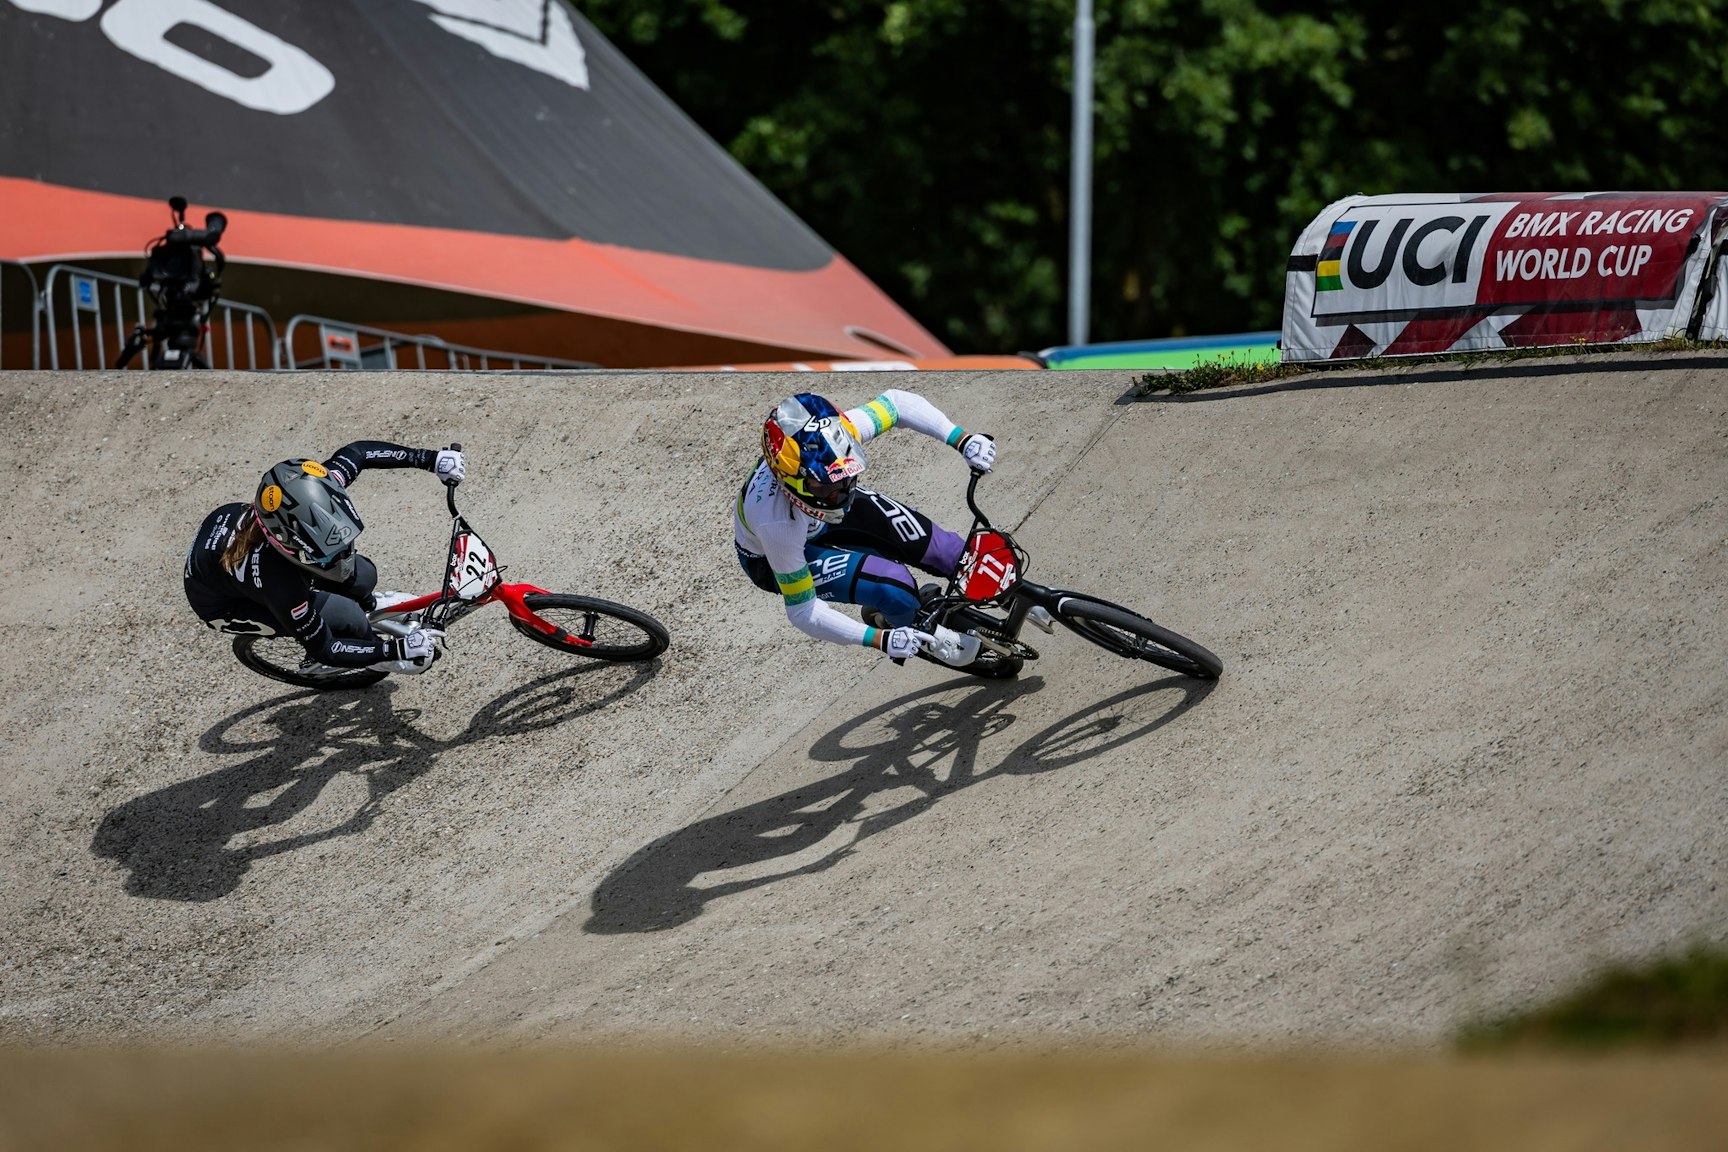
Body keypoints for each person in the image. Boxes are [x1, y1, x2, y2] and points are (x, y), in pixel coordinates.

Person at [735, 389, 1015, 666]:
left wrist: (962, 439)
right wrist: (879, 639)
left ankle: (1016, 595)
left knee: (948, 550)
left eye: (845, 478)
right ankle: (923, 635)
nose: (840, 495)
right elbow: (803, 612)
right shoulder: (775, 524)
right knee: (893, 585)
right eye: (825, 487)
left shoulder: (834, 438)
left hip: (813, 514)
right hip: (774, 557)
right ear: (788, 480)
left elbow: (897, 403)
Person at [184, 441, 464, 675]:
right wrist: (394, 650)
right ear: (285, 543)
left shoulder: (313, 489)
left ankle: (371, 607)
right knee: (349, 619)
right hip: (227, 606)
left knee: (362, 576)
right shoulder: (278, 582)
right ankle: (371, 651)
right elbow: (327, 649)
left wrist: (430, 459)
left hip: (233, 569)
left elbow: (359, 453)